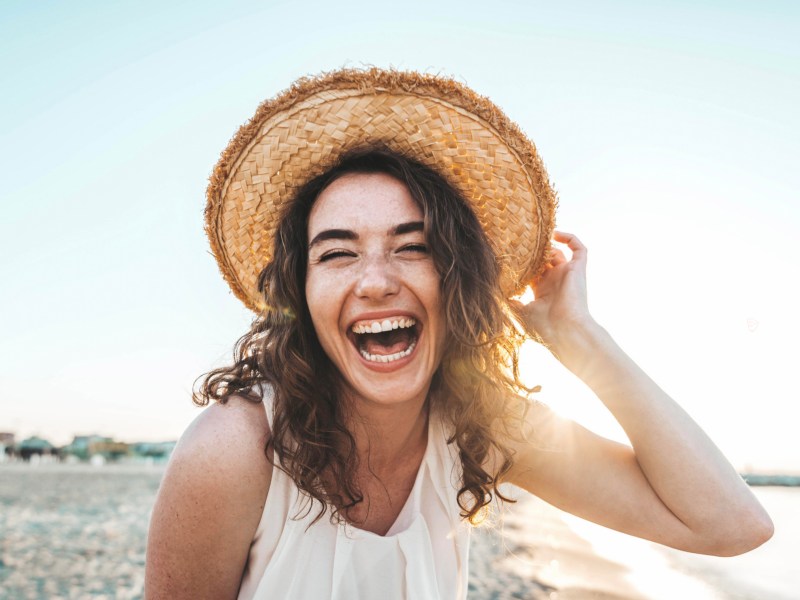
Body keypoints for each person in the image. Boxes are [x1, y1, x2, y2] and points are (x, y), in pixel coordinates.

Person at [145, 68, 773, 599]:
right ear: (299, 295)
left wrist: (579, 337)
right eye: (337, 254)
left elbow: (731, 526)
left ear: (457, 278)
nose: (375, 282)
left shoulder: (480, 426)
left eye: (413, 247)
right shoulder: (233, 450)